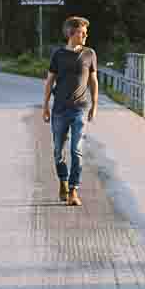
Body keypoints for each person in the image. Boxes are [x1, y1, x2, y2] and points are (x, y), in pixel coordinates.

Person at [41, 15, 98, 205]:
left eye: (86, 33)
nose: (85, 36)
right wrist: (45, 106)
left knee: (76, 150)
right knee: (58, 151)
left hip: (79, 109)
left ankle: (74, 190)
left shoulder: (90, 54)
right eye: (82, 33)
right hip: (59, 110)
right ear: (71, 34)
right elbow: (49, 81)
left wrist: (95, 105)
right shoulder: (58, 55)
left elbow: (93, 81)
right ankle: (63, 182)